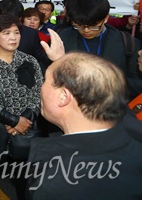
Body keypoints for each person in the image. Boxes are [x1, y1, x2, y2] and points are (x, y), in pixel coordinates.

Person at [28, 52, 142, 198]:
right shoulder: (133, 129)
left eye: (45, 81)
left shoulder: (58, 185)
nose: (41, 88)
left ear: (63, 96)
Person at [0, 15, 44, 200]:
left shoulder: (30, 62)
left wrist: (25, 119)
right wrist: (13, 121)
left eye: (16, 32)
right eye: (6, 33)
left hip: (26, 132)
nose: (13, 37)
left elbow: (38, 94)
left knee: (25, 185)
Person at [59, 0, 142, 98]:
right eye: (78, 26)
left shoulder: (128, 42)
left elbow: (138, 83)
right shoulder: (62, 38)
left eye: (94, 26)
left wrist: (109, 82)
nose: (86, 30)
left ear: (106, 18)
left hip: (113, 106)